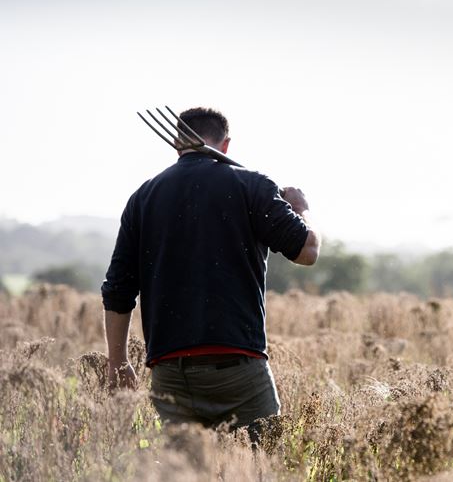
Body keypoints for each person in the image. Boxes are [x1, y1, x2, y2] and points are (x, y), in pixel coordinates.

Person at [101, 107, 320, 439]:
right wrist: (301, 210)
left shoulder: (142, 198)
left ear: (176, 143)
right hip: (237, 366)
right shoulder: (253, 186)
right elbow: (308, 251)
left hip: (168, 370)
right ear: (226, 145)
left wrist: (117, 362)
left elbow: (118, 290)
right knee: (263, 467)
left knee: (185, 473)